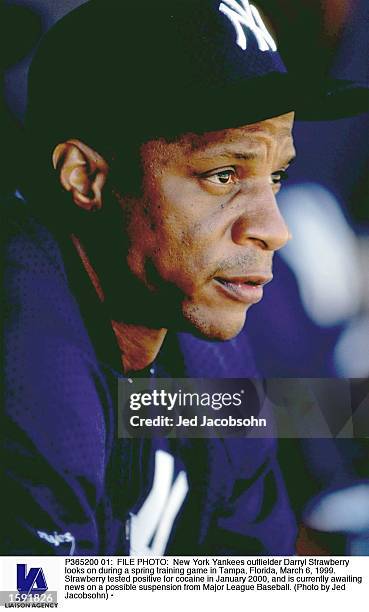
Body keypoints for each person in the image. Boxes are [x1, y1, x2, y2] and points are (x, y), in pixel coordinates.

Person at [3, 0, 367, 556]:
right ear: (84, 177)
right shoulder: (30, 363)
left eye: (276, 176)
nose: (273, 228)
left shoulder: (194, 337)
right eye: (223, 175)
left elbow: (261, 577)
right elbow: (34, 595)